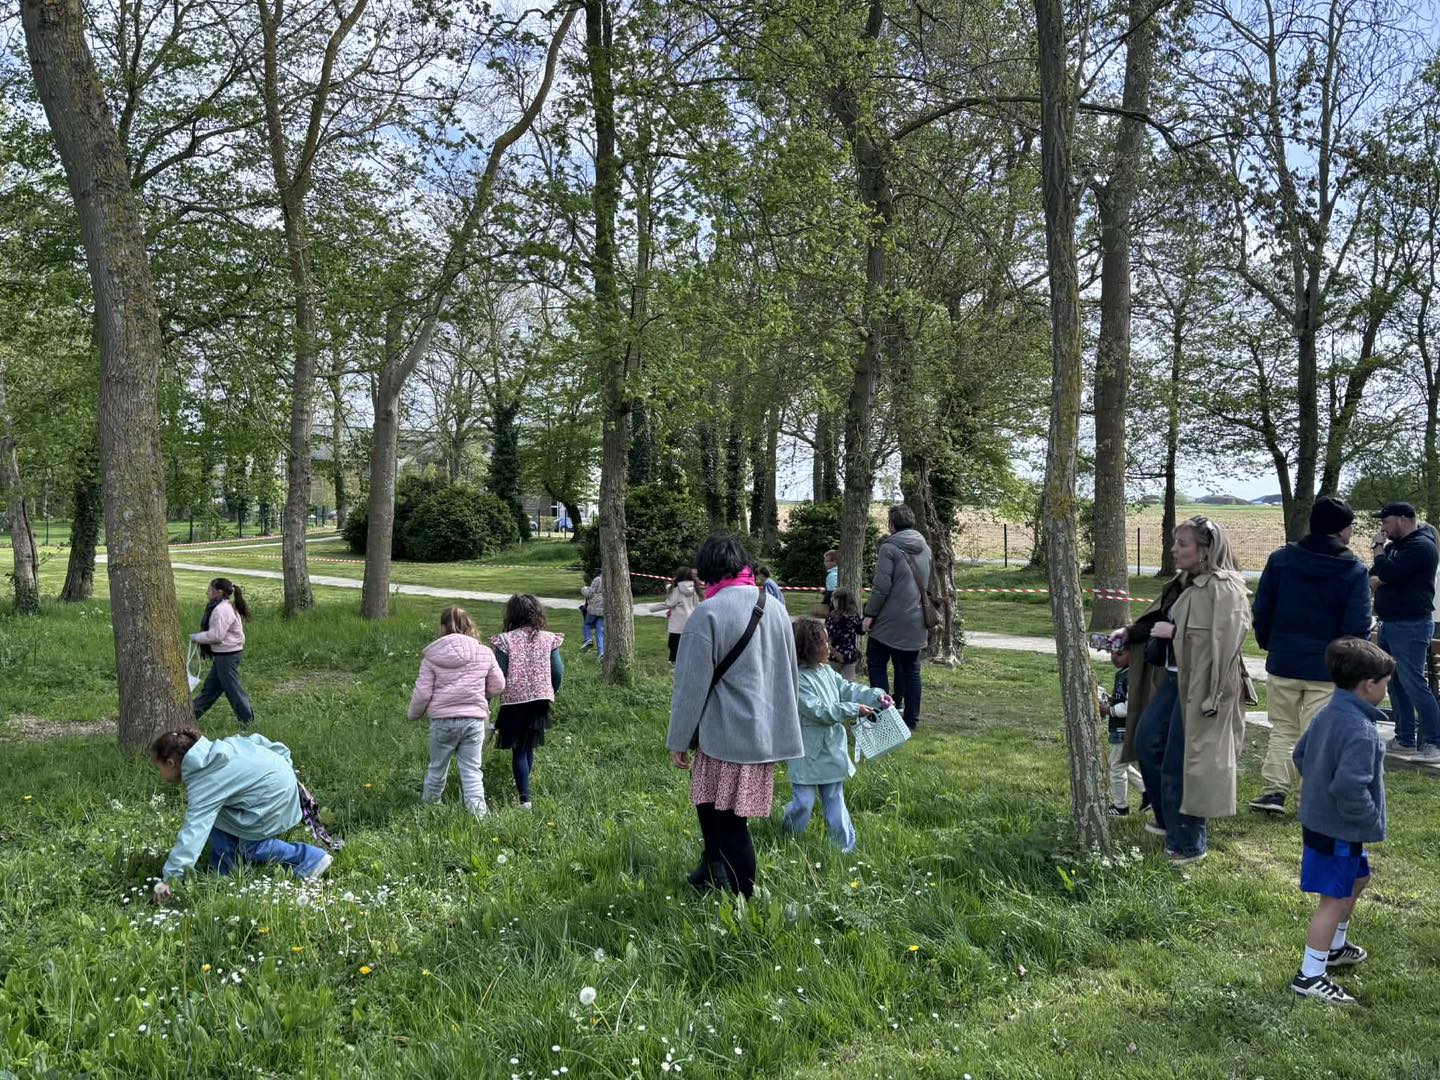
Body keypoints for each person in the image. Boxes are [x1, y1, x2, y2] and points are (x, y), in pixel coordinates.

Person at [668, 534, 802, 898]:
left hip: (726, 735)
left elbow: (689, 688)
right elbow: (788, 670)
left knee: (728, 820)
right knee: (709, 805)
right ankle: (711, 869)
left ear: (706, 573)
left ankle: (745, 900)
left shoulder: (706, 613)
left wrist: (679, 740)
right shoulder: (774, 606)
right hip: (763, 731)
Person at [1120, 516, 1250, 864]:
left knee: (1186, 761)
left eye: (1183, 544)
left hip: (1204, 688)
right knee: (1148, 741)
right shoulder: (1186, 582)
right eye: (1175, 543)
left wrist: (1174, 634)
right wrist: (1135, 633)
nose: (1174, 550)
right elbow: (1161, 618)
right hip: (1174, 680)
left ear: (1206, 550)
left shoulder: (1225, 589)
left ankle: (1189, 842)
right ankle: (1168, 820)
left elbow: (1224, 643)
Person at [1249, 495, 1373, 813]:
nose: (1350, 533)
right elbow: (1356, 624)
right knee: (1316, 734)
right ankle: (1311, 797)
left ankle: (1274, 791)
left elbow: (1262, 609)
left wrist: (1269, 643)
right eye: (1349, 527)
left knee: (1283, 729)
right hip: (1328, 667)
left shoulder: (1281, 560)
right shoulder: (1354, 569)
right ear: (1339, 530)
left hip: (1285, 659)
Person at [1289, 637, 1394, 1005]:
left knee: (1358, 878)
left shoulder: (1328, 713)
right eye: (1385, 684)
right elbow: (1350, 788)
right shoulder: (1360, 730)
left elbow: (1300, 755)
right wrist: (1368, 818)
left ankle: (1334, 947)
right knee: (1332, 900)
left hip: (1324, 823)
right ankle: (1311, 975)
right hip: (1339, 829)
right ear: (1368, 685)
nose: (1386, 690)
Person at [149, 725, 332, 900]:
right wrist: (285, 768)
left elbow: (193, 832)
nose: (160, 774)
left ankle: (310, 857)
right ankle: (224, 872)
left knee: (252, 847)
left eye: (160, 768)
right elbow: (262, 742)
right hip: (281, 783)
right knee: (218, 814)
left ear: (171, 763)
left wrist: (169, 880)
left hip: (273, 799)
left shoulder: (205, 781)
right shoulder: (222, 746)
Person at [782, 618, 889, 853]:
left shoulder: (826, 671)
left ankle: (844, 847)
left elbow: (847, 689)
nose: (829, 647)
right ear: (807, 648)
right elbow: (818, 711)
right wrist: (852, 710)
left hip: (832, 749)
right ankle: (788, 836)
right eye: (824, 643)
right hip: (806, 753)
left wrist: (875, 696)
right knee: (804, 803)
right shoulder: (797, 679)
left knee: (834, 800)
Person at [408, 606, 506, 817]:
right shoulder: (484, 652)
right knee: (472, 771)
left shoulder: (432, 656)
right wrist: (481, 694)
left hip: (442, 722)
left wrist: (413, 714)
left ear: (443, 627)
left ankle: (430, 810)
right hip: (474, 720)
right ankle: (478, 815)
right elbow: (498, 685)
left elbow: (423, 692)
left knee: (437, 768)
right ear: (469, 626)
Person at [1368, 502, 1440, 760]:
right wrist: (1382, 573)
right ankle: (1405, 738)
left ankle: (1434, 743)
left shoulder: (1422, 546)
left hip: (1411, 624)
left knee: (1414, 684)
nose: (1382, 528)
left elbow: (1387, 572)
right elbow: (1376, 574)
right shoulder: (1397, 547)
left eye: (1386, 521)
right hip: (1390, 622)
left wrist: (1378, 550)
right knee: (1394, 683)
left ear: (1401, 519)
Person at [491, 595, 565, 810]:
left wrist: (492, 694)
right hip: (541, 698)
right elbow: (558, 671)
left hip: (514, 701)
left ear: (512, 614)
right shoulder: (548, 638)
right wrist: (552, 689)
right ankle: (524, 786)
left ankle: (525, 798)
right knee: (529, 745)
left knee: (519, 750)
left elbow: (499, 672)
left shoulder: (505, 640)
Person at [863, 504, 932, 731]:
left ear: (891, 524)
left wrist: (869, 614)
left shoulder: (889, 548)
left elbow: (882, 587)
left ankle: (884, 716)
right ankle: (911, 720)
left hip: (889, 620)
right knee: (911, 670)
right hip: (916, 618)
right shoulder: (925, 548)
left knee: (877, 664)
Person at [190, 577, 255, 727]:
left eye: (209, 590)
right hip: (224, 655)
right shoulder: (222, 607)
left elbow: (216, 635)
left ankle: (249, 722)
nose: (207, 593)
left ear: (218, 592)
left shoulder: (221, 610)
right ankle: (189, 716)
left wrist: (196, 637)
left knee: (233, 690)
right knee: (210, 690)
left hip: (227, 655)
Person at [1102, 641, 1144, 816]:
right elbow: (1122, 699)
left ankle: (1121, 807)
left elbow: (1131, 705)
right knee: (1121, 764)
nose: (1114, 658)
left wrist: (1108, 710)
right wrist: (1110, 700)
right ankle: (1148, 791)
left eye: (1119, 654)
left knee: (1117, 767)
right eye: (1112, 653)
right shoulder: (1123, 674)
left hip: (1124, 729)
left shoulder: (1131, 675)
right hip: (1120, 729)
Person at [653, 567, 701, 664]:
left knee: (673, 642)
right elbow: (696, 605)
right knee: (685, 642)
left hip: (678, 622)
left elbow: (670, 603)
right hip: (690, 620)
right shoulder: (693, 589)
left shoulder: (677, 590)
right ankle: (684, 659)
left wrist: (652, 609)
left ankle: (674, 660)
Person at [824, 588, 865, 681]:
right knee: (849, 681)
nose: (832, 601)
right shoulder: (854, 616)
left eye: (833, 599)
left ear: (839, 601)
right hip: (850, 653)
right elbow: (860, 631)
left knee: (832, 680)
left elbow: (828, 634)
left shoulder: (833, 617)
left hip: (835, 653)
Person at [580, 573, 605, 658]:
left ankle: (588, 639)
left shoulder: (598, 579)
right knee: (600, 630)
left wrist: (584, 589)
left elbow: (589, 593)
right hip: (605, 610)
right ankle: (601, 653)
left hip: (594, 608)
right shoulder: (612, 581)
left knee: (587, 624)